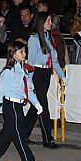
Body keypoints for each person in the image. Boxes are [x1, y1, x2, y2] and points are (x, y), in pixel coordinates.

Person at [0, 41, 46, 161]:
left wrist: (36, 103)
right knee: (20, 135)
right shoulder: (9, 71)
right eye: (21, 52)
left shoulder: (22, 68)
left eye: (24, 51)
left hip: (17, 105)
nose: (25, 54)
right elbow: (0, 90)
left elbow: (27, 90)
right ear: (13, 54)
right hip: (11, 105)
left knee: (8, 133)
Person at [24, 12, 65, 148]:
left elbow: (54, 60)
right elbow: (30, 62)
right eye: (48, 21)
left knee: (36, 106)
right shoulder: (34, 39)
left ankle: (22, 134)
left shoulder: (48, 38)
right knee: (43, 106)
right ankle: (48, 139)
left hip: (46, 73)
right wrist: (29, 81)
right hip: (37, 73)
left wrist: (62, 76)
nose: (50, 23)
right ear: (41, 22)